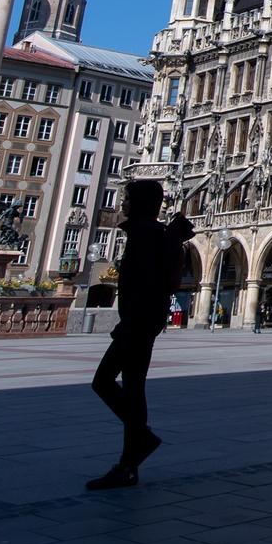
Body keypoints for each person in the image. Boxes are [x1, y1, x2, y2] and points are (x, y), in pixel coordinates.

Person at [88, 180, 192, 489]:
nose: (123, 203)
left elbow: (147, 282)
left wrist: (131, 319)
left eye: (128, 198)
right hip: (144, 321)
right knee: (134, 388)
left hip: (138, 322)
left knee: (104, 381)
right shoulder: (152, 233)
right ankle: (129, 463)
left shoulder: (145, 235)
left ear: (142, 203)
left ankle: (140, 440)